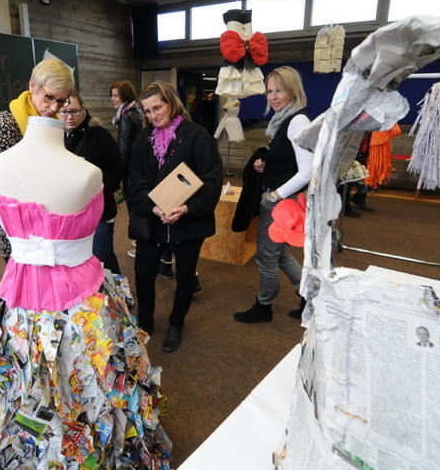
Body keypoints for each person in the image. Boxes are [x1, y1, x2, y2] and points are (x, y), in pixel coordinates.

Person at [0, 116, 171, 467]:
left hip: (74, 294)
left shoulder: (85, 171)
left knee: (92, 375)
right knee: (23, 377)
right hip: (35, 291)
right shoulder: (8, 165)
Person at [127, 81, 223, 352]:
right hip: (151, 220)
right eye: (147, 111)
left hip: (188, 222)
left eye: (157, 107)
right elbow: (135, 180)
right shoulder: (142, 139)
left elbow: (212, 179)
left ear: (171, 103)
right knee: (144, 274)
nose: (153, 115)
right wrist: (154, 208)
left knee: (185, 278)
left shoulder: (197, 136)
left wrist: (187, 208)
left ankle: (176, 324)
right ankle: (145, 322)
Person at [234, 66, 314, 324]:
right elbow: (288, 161)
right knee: (278, 254)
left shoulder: (297, 120)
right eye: (269, 91)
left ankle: (264, 305)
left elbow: (307, 171)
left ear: (293, 91)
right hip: (282, 199)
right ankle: (309, 297)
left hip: (282, 202)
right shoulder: (283, 120)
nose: (274, 96)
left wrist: (275, 196)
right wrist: (265, 165)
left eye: (279, 90)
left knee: (266, 256)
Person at [0, 58, 75, 260]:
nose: (54, 107)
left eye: (62, 100)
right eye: (48, 97)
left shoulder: (53, 124)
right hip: (19, 229)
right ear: (32, 86)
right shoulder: (5, 124)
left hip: (51, 221)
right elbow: (6, 185)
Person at [60, 91, 123, 274]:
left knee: (102, 254)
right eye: (64, 112)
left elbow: (117, 168)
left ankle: (117, 294)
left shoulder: (99, 136)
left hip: (100, 209)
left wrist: (100, 192)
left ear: (84, 111)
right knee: (77, 259)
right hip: (70, 211)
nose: (69, 117)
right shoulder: (55, 138)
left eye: (75, 111)